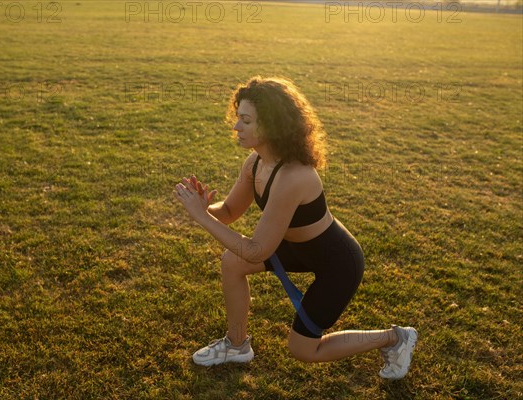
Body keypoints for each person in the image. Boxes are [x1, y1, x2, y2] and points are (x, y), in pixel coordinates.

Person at [173, 76, 417, 379]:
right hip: (298, 248)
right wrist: (202, 207)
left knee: (303, 350)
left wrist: (200, 216)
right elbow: (229, 211)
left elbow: (256, 250)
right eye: (238, 118)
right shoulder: (255, 163)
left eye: (246, 120)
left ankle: (395, 338)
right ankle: (237, 345)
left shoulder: (295, 177)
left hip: (336, 263)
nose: (236, 127)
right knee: (231, 262)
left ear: (272, 125)